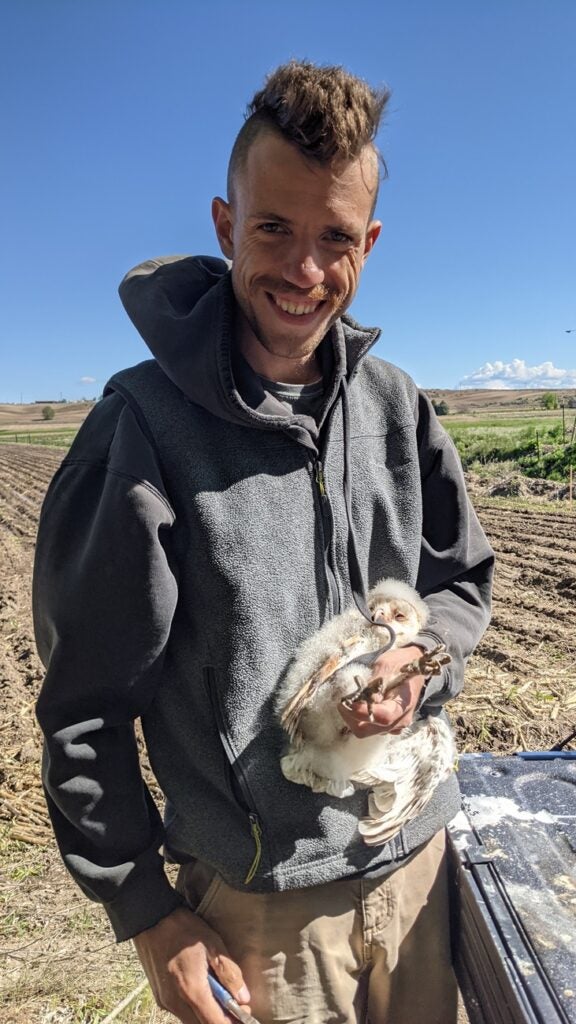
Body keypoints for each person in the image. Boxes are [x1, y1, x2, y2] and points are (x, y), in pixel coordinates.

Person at [33, 60, 494, 1024]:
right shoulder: (141, 431)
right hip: (261, 915)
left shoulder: (395, 407)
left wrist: (419, 660)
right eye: (274, 228)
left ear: (368, 243)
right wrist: (146, 910)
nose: (305, 271)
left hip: (418, 861)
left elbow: (461, 580)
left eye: (335, 238)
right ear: (222, 224)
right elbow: (85, 708)